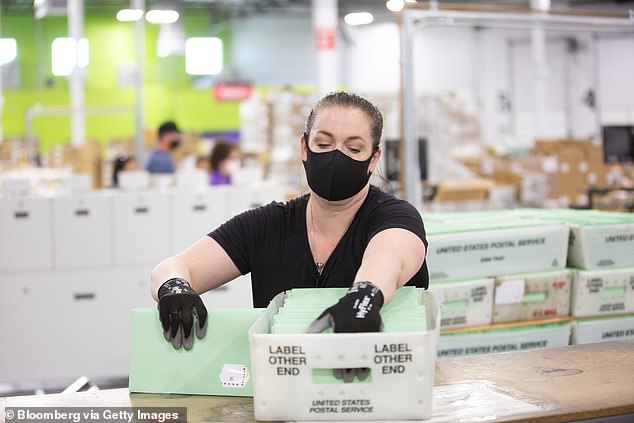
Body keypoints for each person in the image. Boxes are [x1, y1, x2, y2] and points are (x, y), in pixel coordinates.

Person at [150, 91, 428, 351]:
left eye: (354, 149)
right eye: (324, 143)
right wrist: (174, 287)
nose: (336, 156)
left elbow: (390, 255)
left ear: (373, 159)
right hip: (283, 386)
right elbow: (174, 267)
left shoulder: (394, 217)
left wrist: (366, 295)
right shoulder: (267, 226)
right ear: (304, 147)